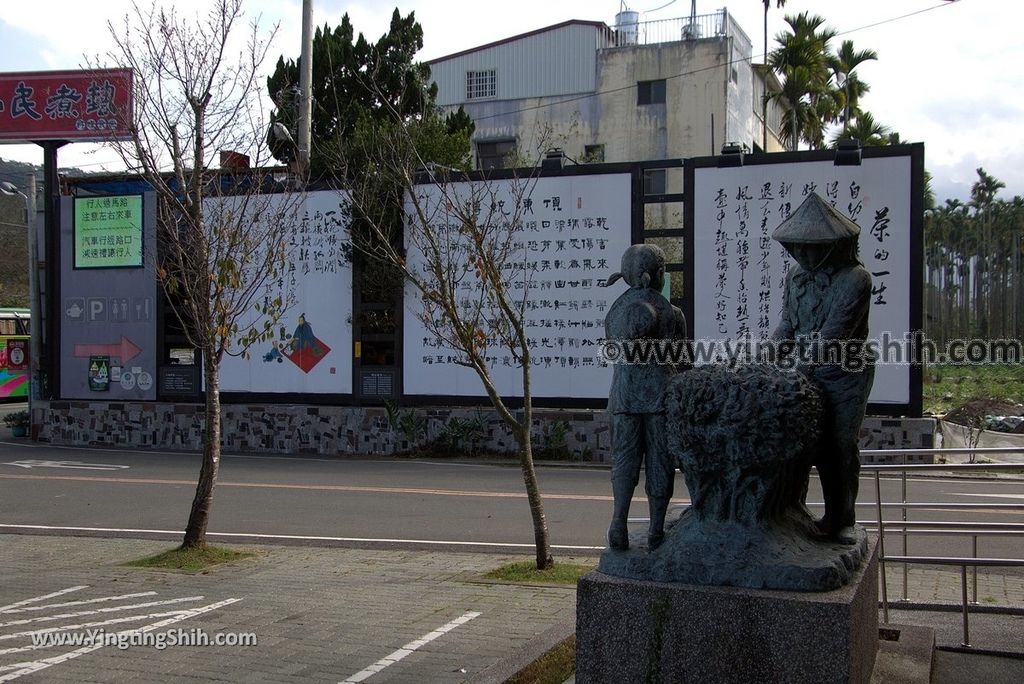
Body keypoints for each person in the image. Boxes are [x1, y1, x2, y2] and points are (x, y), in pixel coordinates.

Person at [771, 193, 875, 543]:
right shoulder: (796, 277)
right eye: (798, 246)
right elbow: (787, 325)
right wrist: (766, 357)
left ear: (832, 246)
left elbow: (834, 334)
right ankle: (790, 510)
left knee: (837, 445)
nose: (804, 254)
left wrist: (798, 368)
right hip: (802, 368)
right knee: (796, 440)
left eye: (812, 247)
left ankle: (840, 517)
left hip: (843, 374)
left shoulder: (856, 279)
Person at [604, 244, 689, 550]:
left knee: (624, 462)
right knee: (660, 462)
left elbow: (614, 353)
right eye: (662, 270)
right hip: (659, 399)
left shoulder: (614, 312)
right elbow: (683, 363)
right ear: (647, 277)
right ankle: (655, 529)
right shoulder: (672, 313)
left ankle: (618, 522)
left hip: (624, 398)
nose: (664, 276)